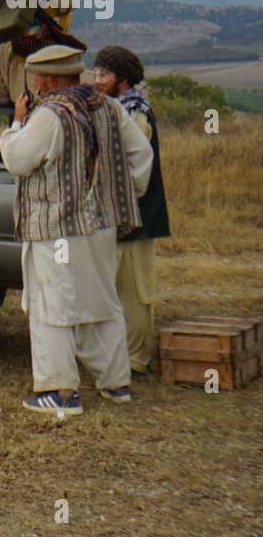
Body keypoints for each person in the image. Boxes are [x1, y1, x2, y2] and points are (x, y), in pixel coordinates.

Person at [0, 45, 153, 415]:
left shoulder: (50, 115)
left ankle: (59, 391)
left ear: (49, 79)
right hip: (100, 226)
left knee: (53, 303)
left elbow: (17, 160)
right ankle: (115, 383)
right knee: (100, 300)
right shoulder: (109, 107)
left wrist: (16, 124)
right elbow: (141, 156)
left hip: (57, 230)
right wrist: (116, 195)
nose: (35, 84)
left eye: (37, 77)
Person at [93, 45, 169, 374]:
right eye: (96, 73)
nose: (97, 80)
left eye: (104, 75)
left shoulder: (134, 111)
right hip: (120, 211)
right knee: (115, 283)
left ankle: (137, 357)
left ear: (121, 79)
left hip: (137, 212)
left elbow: (134, 162)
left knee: (136, 289)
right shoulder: (115, 107)